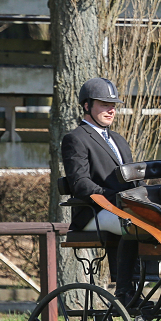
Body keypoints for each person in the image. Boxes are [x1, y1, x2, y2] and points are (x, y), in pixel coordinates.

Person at [62, 77, 142, 305]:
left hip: (122, 207)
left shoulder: (118, 139)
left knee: (153, 217)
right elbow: (80, 184)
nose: (111, 110)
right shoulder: (75, 138)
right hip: (93, 211)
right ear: (87, 106)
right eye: (104, 105)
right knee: (133, 223)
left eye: (113, 105)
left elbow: (132, 177)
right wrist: (113, 197)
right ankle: (126, 291)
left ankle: (143, 283)